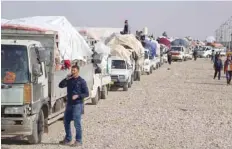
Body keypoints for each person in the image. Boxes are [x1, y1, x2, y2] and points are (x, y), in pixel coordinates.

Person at [59, 65, 89, 146]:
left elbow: (86, 93)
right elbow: (60, 85)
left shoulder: (82, 81)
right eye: (72, 70)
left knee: (77, 123)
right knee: (66, 121)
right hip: (69, 104)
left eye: (74, 71)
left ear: (78, 71)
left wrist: (78, 96)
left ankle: (79, 140)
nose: (72, 72)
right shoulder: (69, 80)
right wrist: (66, 78)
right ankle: (68, 139)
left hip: (77, 104)